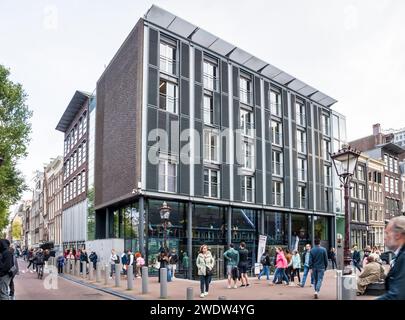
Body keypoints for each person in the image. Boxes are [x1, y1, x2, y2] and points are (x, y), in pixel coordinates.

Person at [377, 216, 405, 300]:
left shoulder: (403, 257)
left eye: (387, 233)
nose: (384, 237)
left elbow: (397, 295)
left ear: (397, 235)